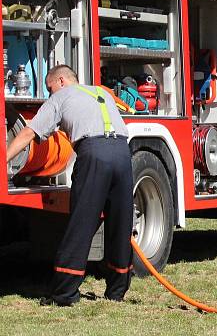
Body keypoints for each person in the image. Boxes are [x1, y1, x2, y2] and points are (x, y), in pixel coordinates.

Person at [5, 64, 133, 306]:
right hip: (122, 152)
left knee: (81, 222)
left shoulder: (61, 97)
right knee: (121, 223)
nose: (49, 93)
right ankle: (117, 291)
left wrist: (3, 161)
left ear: (61, 81)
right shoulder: (101, 92)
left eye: (49, 87)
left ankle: (64, 293)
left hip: (94, 153)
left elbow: (27, 134)